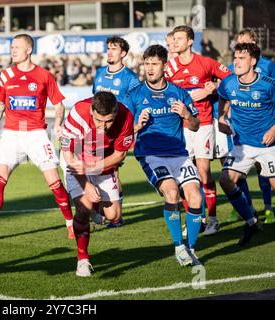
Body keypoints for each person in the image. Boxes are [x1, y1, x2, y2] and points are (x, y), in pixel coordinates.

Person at [0, 34, 74, 241]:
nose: (13, 50)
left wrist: (58, 124)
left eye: (17, 47)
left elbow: (59, 104)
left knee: (54, 182)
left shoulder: (44, 75)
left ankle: (70, 223)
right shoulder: (5, 75)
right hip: (11, 134)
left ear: (29, 50)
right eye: (11, 47)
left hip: (36, 135)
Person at [125, 44, 203, 266]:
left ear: (164, 66)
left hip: (179, 154)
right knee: (171, 192)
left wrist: (187, 114)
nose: (149, 68)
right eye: (146, 63)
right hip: (151, 155)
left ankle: (192, 248)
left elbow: (196, 126)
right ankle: (179, 247)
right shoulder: (135, 95)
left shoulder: (178, 92)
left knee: (195, 197)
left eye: (154, 64)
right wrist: (137, 126)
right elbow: (122, 132)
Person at [165, 25, 231, 236]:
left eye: (179, 39)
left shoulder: (205, 62)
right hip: (180, 127)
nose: (174, 42)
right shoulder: (170, 67)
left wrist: (214, 86)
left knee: (203, 172)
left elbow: (229, 78)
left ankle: (212, 219)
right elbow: (163, 91)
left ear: (190, 41)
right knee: (184, 175)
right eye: (173, 39)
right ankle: (196, 218)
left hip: (203, 123)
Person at [61, 92, 134, 276]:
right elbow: (69, 156)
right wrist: (86, 184)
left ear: (116, 112)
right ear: (92, 111)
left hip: (104, 162)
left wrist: (94, 166)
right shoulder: (78, 113)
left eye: (108, 121)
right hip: (76, 161)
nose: (102, 127)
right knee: (84, 208)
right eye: (98, 120)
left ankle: (96, 209)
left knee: (114, 216)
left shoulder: (126, 116)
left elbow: (120, 155)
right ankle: (83, 260)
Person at [217, 42, 274, 246]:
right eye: (235, 58)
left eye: (242, 58)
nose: (236, 62)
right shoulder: (228, 83)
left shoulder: (268, 84)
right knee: (225, 179)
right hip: (242, 145)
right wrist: (221, 120)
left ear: (253, 61)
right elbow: (222, 106)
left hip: (268, 146)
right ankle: (251, 221)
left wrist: (273, 130)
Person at [92, 36, 140, 228]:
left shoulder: (130, 78)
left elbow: (136, 103)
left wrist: (134, 128)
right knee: (94, 168)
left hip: (118, 131)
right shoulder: (100, 73)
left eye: (113, 49)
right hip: (98, 130)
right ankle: (99, 211)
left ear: (123, 53)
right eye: (108, 48)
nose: (109, 52)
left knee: (113, 172)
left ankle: (117, 216)